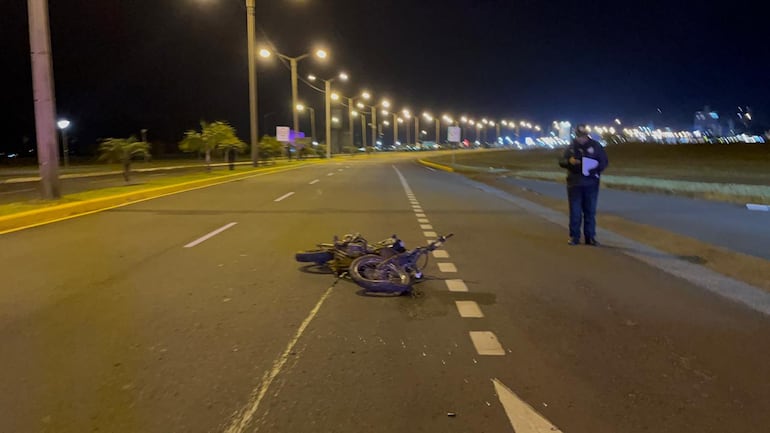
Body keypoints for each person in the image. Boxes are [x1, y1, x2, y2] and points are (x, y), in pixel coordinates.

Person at [558, 124, 609, 246]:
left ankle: (590, 237)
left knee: (590, 211)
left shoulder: (596, 146)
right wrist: (569, 161)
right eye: (579, 136)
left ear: (587, 135)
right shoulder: (571, 147)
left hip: (591, 183)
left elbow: (604, 162)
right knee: (575, 212)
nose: (581, 139)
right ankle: (574, 236)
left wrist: (591, 167)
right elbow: (561, 161)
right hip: (574, 184)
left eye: (583, 136)